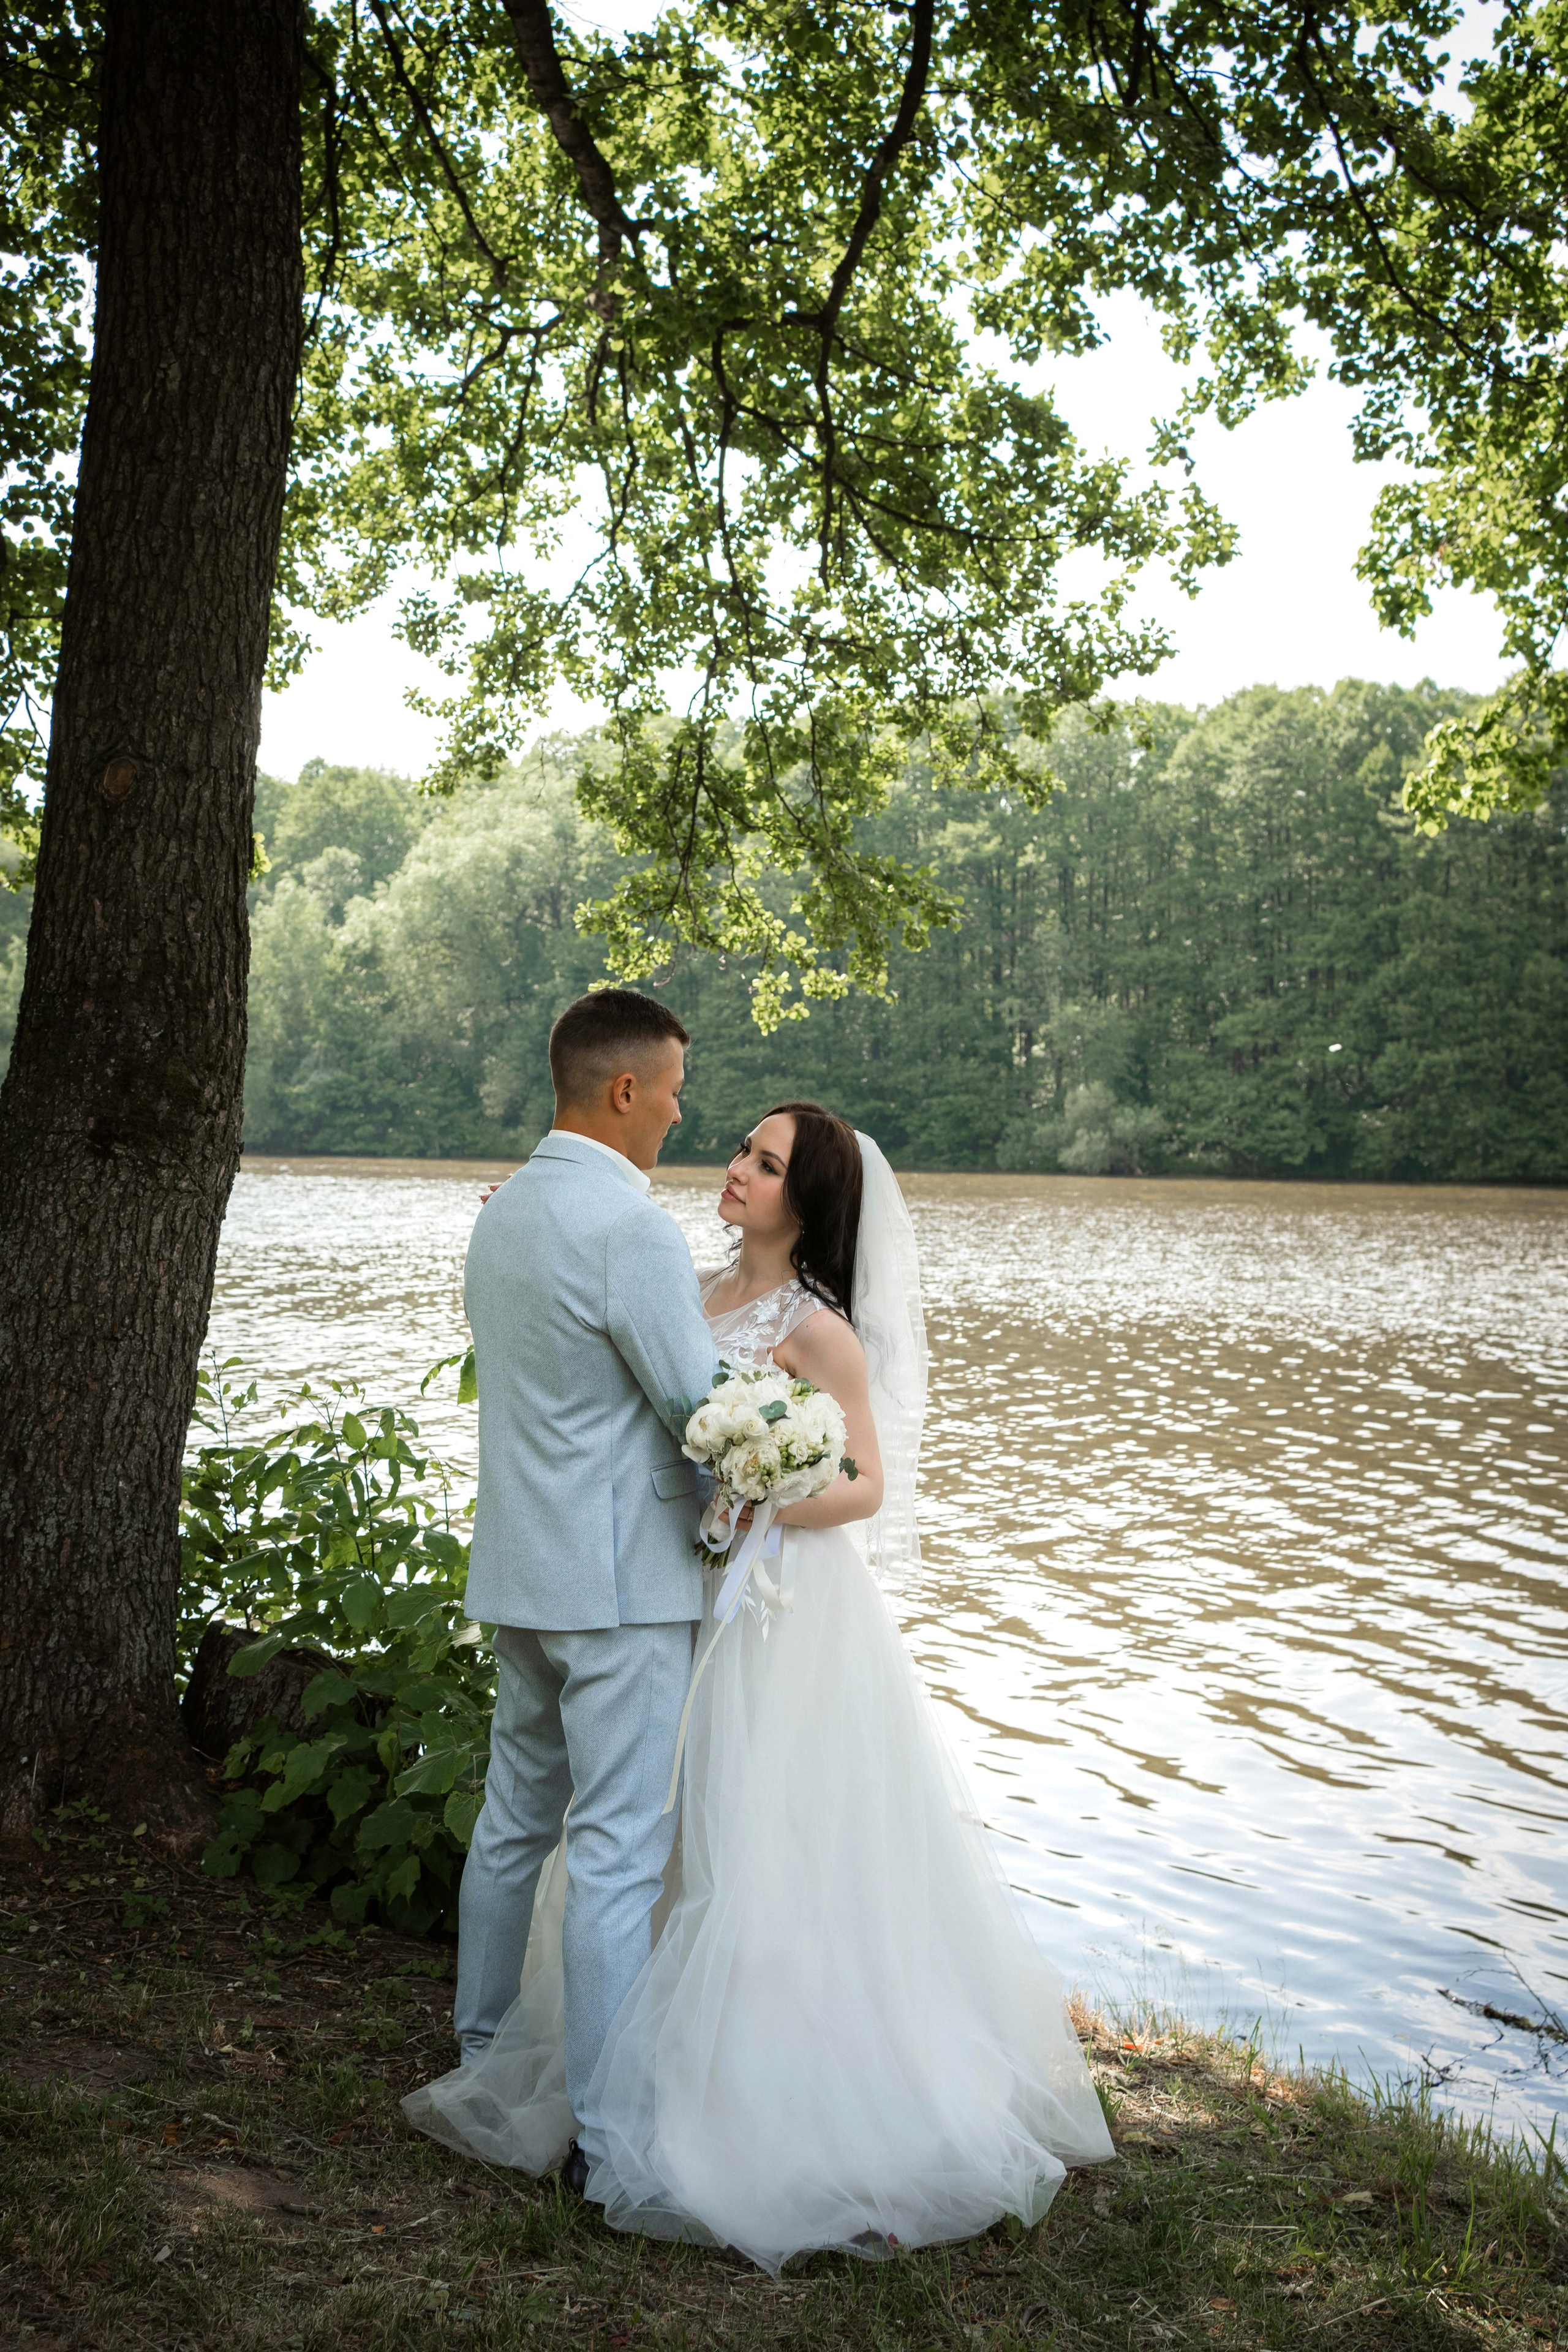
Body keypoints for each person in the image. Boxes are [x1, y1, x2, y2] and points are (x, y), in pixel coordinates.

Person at [406, 1101, 1113, 2272]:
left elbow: (867, 1486)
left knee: (755, 1838)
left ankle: (763, 2077)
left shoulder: (821, 1330)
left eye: (766, 1163)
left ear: (808, 1198)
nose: (736, 1169)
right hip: (673, 1596)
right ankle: (630, 2066)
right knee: (655, 1840)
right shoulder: (682, 1282)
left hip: (774, 1613)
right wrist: (524, 1232)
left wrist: (759, 1489)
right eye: (740, 1148)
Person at [431, 987, 717, 2193]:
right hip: (622, 1591)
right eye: (669, 1092)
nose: (674, 1114)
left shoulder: (502, 1216)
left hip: (522, 1574)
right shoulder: (632, 1230)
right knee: (611, 1854)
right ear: (620, 1090)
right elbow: (698, 1408)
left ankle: (483, 2059)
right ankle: (604, 2137)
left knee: (511, 1826)